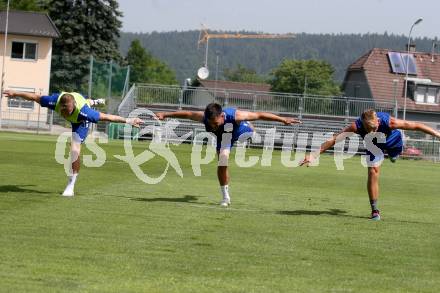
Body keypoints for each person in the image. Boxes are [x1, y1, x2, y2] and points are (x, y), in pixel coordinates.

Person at [301, 109, 440, 220]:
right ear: (363, 123)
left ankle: (393, 155)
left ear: (378, 121)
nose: (372, 131)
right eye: (369, 129)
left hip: (392, 140)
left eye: (374, 128)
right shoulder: (356, 126)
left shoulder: (389, 122)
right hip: (374, 145)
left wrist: (437, 134)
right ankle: (374, 210)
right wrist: (313, 155)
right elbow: (334, 140)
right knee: (373, 172)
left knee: (393, 155)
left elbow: (417, 126)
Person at [156, 103, 301, 206]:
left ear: (221, 116)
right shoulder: (205, 117)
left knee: (249, 133)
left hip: (240, 131)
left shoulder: (236, 115)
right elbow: (187, 114)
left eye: (215, 122)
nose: (212, 125)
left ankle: (251, 129)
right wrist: (164, 114)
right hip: (224, 139)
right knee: (222, 162)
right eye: (210, 123)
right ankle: (226, 197)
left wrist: (283, 120)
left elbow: (259, 115)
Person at [3, 90, 142, 197]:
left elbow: (107, 117)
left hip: (80, 122)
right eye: (64, 113)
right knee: (84, 105)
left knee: (74, 150)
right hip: (78, 101)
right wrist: (15, 93)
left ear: (73, 106)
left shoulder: (85, 113)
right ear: (60, 107)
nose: (66, 115)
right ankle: (92, 101)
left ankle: (71, 185)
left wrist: (129, 121)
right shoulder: (53, 101)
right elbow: (35, 97)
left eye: (69, 112)